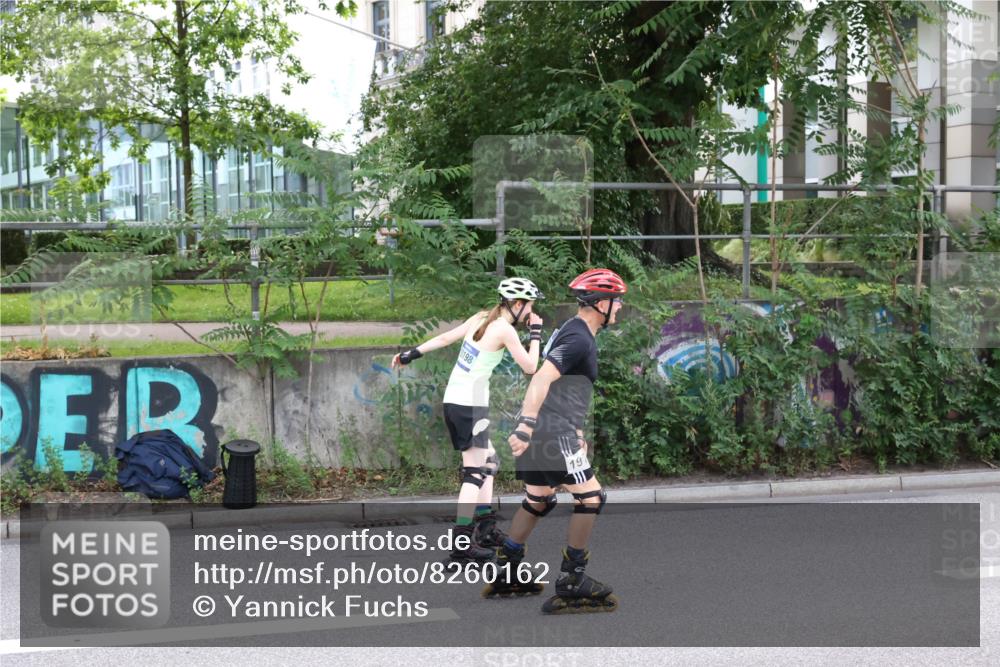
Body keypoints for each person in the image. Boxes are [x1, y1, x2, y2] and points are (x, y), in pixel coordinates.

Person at [483, 268, 626, 614]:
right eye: (617, 301)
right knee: (591, 498)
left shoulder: (572, 330)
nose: (620, 307)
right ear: (600, 303)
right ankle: (572, 578)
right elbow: (542, 379)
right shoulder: (578, 338)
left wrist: (574, 428)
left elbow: (564, 386)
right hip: (549, 431)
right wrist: (527, 426)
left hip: (553, 429)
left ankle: (508, 566)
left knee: (539, 499)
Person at [392, 277, 545, 565]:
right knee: (474, 472)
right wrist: (535, 334)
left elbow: (444, 338)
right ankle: (461, 547)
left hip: (459, 402)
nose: (530, 313)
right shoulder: (503, 329)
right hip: (468, 406)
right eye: (529, 307)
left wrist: (410, 354)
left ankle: (485, 527)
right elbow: (530, 366)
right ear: (516, 304)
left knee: (490, 461)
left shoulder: (480, 318)